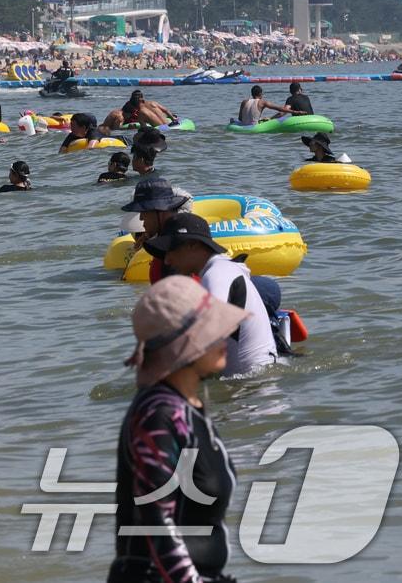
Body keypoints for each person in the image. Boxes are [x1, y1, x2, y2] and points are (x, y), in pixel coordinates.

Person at [111, 275, 246, 583]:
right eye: (211, 330)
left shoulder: (188, 408)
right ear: (184, 346)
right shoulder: (159, 415)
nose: (225, 334)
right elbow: (156, 520)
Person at [144, 213, 278, 377]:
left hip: (254, 389)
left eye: (170, 250)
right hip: (254, 381)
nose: (167, 260)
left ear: (192, 245)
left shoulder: (217, 274)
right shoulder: (222, 269)